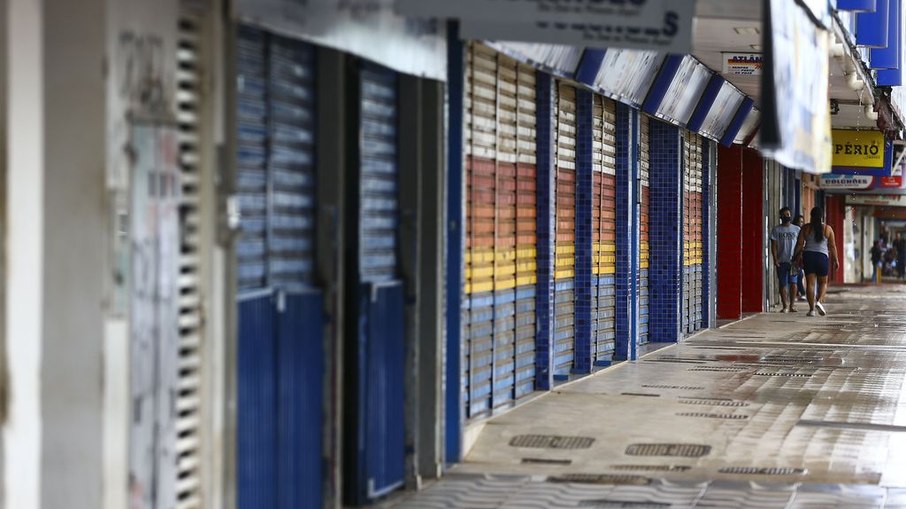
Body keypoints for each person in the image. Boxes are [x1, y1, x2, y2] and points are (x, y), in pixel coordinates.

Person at [793, 207, 839, 317]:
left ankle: (811, 310)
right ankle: (819, 301)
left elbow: (799, 244)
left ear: (811, 216)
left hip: (808, 256)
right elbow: (832, 246)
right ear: (822, 216)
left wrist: (795, 256)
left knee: (810, 283)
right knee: (823, 282)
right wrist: (835, 260)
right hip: (822, 257)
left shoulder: (805, 228)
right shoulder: (828, 229)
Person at [770, 207, 800, 312]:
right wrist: (775, 259)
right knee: (782, 283)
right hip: (781, 260)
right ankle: (785, 306)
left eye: (788, 214)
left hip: (793, 261)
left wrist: (799, 258)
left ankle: (792, 305)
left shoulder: (797, 229)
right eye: (785, 214)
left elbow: (800, 245)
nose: (787, 216)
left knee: (793, 283)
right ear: (781, 216)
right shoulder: (776, 230)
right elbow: (773, 246)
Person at [793, 214, 807, 300]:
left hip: (800, 256)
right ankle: (801, 292)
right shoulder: (795, 230)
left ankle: (801, 292)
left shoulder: (803, 231)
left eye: (802, 222)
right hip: (794, 254)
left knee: (799, 274)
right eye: (799, 222)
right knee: (797, 275)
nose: (800, 223)